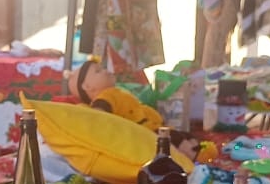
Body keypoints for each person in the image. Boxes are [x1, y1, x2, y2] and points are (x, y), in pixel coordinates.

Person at [68, 55, 198, 157]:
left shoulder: (117, 92)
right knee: (175, 140)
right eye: (98, 71)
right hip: (144, 132)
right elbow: (99, 113)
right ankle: (191, 156)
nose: (106, 71)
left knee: (184, 136)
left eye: (103, 68)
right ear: (87, 86)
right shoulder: (106, 96)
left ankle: (193, 151)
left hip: (153, 127)